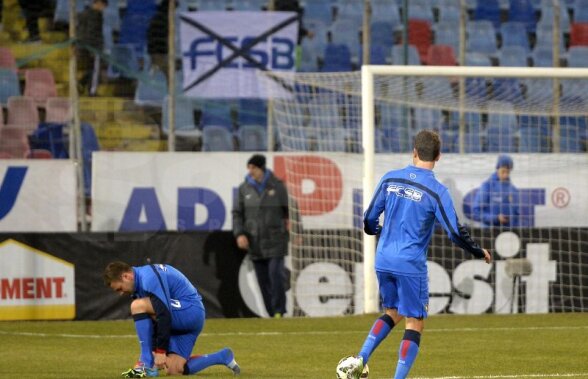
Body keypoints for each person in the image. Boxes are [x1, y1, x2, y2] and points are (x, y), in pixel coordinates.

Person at [344, 130, 492, 379]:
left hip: (383, 258)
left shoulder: (390, 179)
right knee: (414, 322)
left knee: (393, 311)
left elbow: (369, 218)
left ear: (414, 152)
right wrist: (477, 251)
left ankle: (360, 360)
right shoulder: (437, 191)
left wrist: (375, 230)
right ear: (439, 156)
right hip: (410, 263)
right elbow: (455, 232)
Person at [103, 261, 240, 378]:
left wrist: (160, 351)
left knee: (137, 305)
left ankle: (145, 362)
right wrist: (157, 350)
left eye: (119, 288)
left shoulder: (148, 278)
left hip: (191, 311)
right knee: (174, 369)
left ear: (126, 276)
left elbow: (164, 313)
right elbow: (155, 319)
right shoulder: (138, 285)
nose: (121, 293)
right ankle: (223, 356)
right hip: (183, 318)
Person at [232, 154, 289, 318]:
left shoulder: (277, 186)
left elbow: (290, 210)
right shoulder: (244, 188)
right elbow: (237, 214)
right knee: (262, 281)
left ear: (261, 168)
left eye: (253, 168)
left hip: (276, 239)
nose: (250, 171)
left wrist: (294, 228)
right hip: (254, 241)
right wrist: (239, 234)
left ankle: (279, 311)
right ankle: (271, 313)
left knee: (275, 276)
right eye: (249, 168)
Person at [472, 154, 520, 227]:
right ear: (497, 169)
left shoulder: (513, 190)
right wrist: (496, 218)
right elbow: (476, 212)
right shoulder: (487, 186)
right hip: (488, 233)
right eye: (503, 171)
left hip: (508, 235)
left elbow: (516, 215)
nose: (505, 175)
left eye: (508, 172)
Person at [77, 0, 107, 96]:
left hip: (83, 46)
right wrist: (93, 49)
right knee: (95, 69)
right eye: (103, 6)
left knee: (91, 68)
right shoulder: (96, 15)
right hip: (92, 47)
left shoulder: (84, 13)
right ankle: (92, 91)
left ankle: (82, 82)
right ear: (98, 3)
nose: (103, 9)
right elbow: (93, 33)